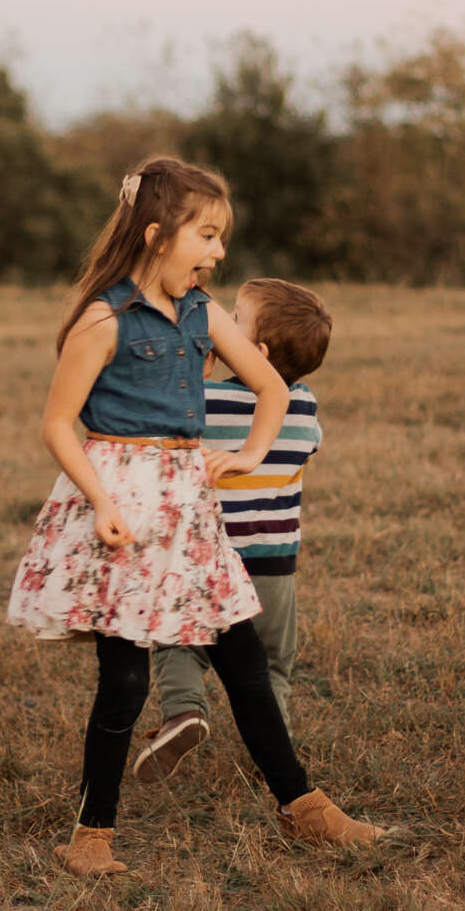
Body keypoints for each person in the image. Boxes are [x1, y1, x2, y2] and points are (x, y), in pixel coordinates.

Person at [6, 157, 388, 875]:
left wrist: (249, 453)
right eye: (206, 236)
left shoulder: (203, 313)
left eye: (221, 238)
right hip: (122, 500)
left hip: (187, 503)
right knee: (124, 678)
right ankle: (92, 835)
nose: (218, 253)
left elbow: (272, 387)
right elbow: (58, 423)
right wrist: (101, 500)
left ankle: (303, 805)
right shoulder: (103, 318)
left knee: (243, 660)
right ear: (156, 235)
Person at [134, 277, 332, 781]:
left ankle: (184, 710)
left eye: (234, 322)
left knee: (180, 639)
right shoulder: (304, 408)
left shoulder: (208, 401)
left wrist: (198, 371)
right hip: (276, 566)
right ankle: (275, 746)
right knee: (273, 666)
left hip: (211, 561)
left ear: (254, 351)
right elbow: (306, 447)